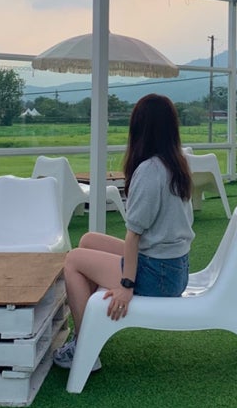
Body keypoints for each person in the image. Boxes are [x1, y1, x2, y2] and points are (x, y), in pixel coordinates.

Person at [53, 93, 195, 371]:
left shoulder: (150, 170)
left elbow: (134, 236)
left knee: (73, 260)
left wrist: (126, 286)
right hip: (174, 267)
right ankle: (91, 328)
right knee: (88, 240)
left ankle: (84, 347)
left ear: (139, 128)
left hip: (158, 275)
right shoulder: (177, 163)